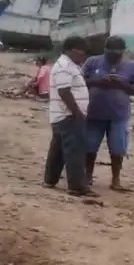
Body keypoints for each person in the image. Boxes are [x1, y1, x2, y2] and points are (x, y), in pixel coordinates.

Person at [83, 36, 134, 190]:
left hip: (119, 115)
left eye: (117, 53)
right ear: (104, 50)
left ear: (123, 52)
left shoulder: (132, 67)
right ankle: (87, 176)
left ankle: (116, 179)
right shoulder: (92, 62)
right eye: (111, 53)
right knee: (89, 147)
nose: (114, 56)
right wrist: (98, 81)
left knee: (118, 149)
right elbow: (79, 81)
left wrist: (122, 84)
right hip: (94, 113)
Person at [43, 35, 94, 196]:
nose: (83, 56)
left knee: (58, 149)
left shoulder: (69, 65)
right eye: (81, 52)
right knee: (75, 151)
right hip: (68, 115)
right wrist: (77, 112)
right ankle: (77, 186)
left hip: (62, 115)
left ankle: (50, 179)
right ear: (71, 50)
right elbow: (64, 91)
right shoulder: (64, 65)